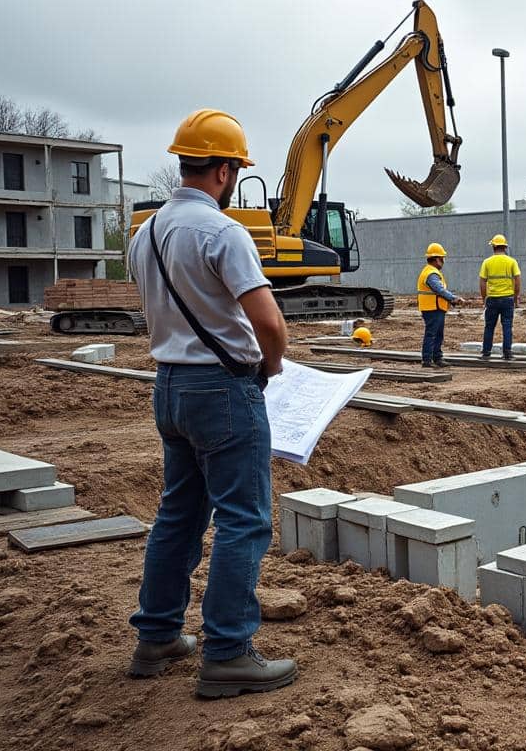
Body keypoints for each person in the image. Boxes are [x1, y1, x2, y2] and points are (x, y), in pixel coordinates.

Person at [125, 109, 295, 698]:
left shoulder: (144, 232)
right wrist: (271, 369)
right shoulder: (223, 233)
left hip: (169, 386)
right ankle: (228, 652)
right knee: (244, 520)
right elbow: (268, 321)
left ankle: (157, 637)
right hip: (223, 389)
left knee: (179, 514)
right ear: (226, 170)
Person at [417, 242, 462, 368]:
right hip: (432, 308)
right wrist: (453, 298)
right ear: (436, 259)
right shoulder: (431, 273)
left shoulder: (430, 271)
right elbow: (439, 290)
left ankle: (437, 358)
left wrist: (451, 301)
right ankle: (427, 360)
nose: (443, 261)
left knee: (437, 334)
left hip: (435, 307)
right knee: (432, 334)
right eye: (442, 258)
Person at [478, 234, 521, 360]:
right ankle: (507, 353)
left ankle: (486, 353)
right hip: (508, 298)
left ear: (493, 246)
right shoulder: (512, 262)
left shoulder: (487, 262)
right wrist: (516, 297)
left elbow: (482, 282)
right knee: (507, 326)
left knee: (489, 326)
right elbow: (517, 280)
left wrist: (484, 298)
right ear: (505, 247)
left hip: (492, 299)